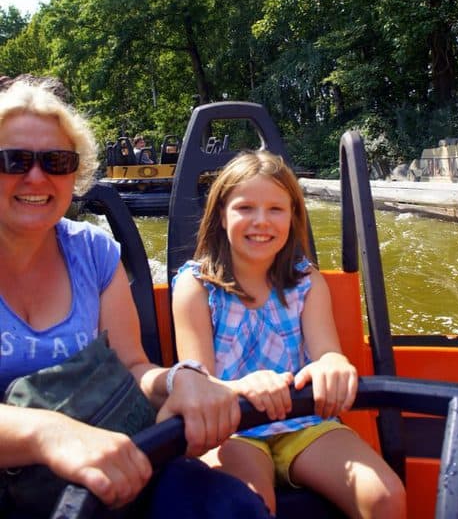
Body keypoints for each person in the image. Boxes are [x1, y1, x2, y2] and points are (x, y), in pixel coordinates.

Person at [0, 78, 271, 519]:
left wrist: (177, 380)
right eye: (13, 161)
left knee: (229, 506)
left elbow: (131, 367)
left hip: (112, 460)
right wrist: (47, 433)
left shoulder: (93, 252)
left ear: (75, 173)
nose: (37, 176)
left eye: (56, 160)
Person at [172, 151, 407, 519]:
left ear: (293, 217)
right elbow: (198, 384)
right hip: (233, 428)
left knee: (385, 497)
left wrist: (334, 365)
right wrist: (243, 388)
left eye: (276, 210)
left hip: (305, 423)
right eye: (245, 208)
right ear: (221, 214)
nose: (261, 221)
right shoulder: (195, 286)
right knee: (247, 506)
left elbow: (326, 351)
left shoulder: (306, 282)